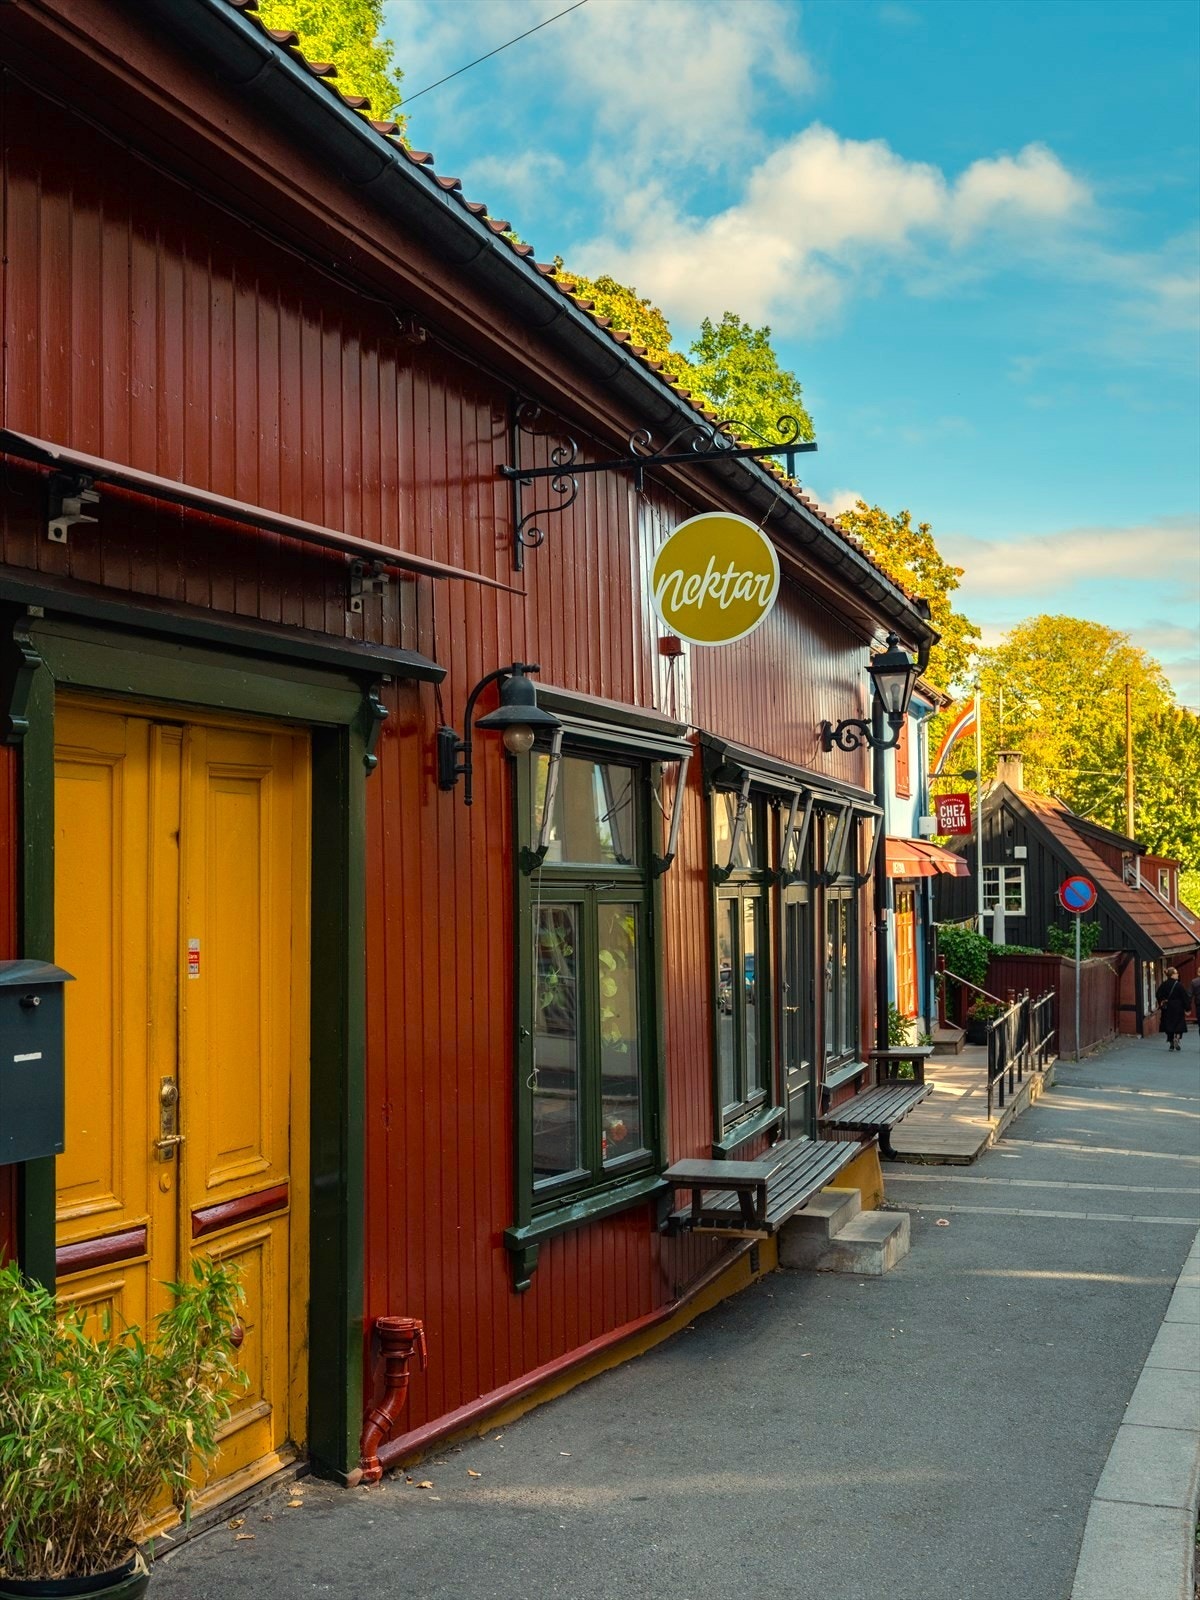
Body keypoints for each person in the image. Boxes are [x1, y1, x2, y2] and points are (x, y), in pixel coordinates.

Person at [1155, 967, 1190, 1051]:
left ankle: (1171, 1042)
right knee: (1179, 1024)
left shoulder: (1164, 984)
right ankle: (1177, 1038)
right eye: (1176, 973)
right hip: (1178, 1007)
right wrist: (1187, 1008)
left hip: (1168, 1007)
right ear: (1172, 975)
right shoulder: (1179, 985)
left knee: (1168, 1024)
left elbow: (1158, 994)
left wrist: (1162, 1000)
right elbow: (1184, 997)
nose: (1178, 974)